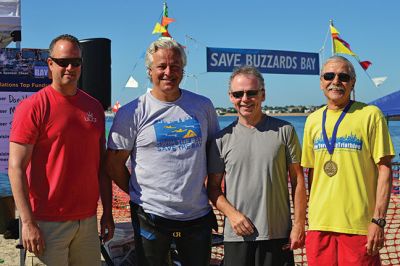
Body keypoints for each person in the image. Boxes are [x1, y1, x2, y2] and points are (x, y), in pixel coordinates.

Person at [105, 38, 220, 266]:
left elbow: (214, 154)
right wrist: (138, 192)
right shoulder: (132, 112)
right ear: (150, 71)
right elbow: (113, 164)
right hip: (151, 216)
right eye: (162, 66)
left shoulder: (203, 106)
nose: (169, 72)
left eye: (175, 66)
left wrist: (214, 191)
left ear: (183, 70)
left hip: (196, 215)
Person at [8, 34, 114, 265]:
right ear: (50, 64)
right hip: (46, 223)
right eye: (63, 62)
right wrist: (27, 223)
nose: (69, 68)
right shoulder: (33, 107)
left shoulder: (94, 107)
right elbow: (15, 168)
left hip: (86, 221)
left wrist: (107, 212)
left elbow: (101, 167)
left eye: (75, 62)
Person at [207, 65, 307, 266]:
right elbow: (213, 187)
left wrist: (298, 225)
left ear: (263, 95)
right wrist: (233, 215)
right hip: (237, 236)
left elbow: (298, 180)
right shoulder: (220, 140)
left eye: (251, 93)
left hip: (277, 234)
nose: (245, 99)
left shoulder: (285, 131)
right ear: (230, 97)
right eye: (238, 94)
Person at [301, 55, 395, 266]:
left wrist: (378, 220)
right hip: (319, 226)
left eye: (343, 76)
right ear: (321, 82)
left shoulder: (370, 114)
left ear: (353, 83)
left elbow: (385, 169)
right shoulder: (312, 120)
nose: (336, 81)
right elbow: (312, 174)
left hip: (359, 227)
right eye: (329, 76)